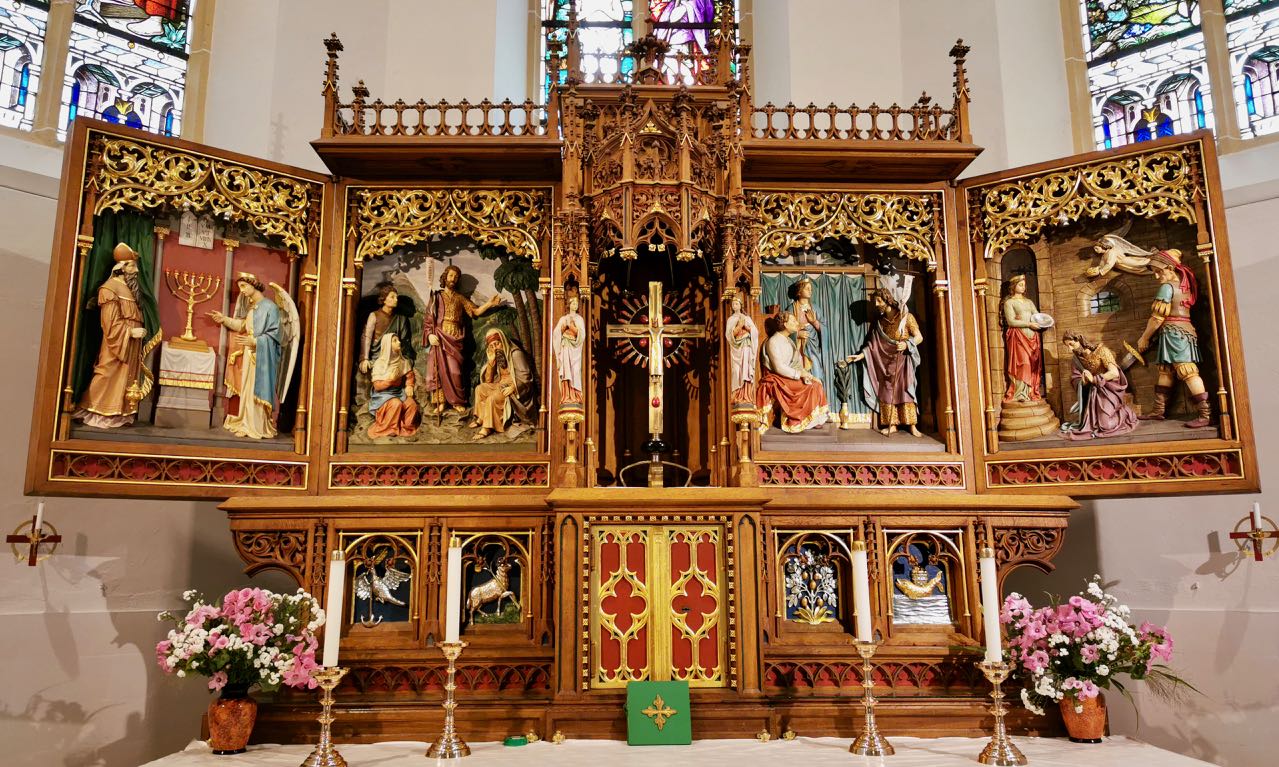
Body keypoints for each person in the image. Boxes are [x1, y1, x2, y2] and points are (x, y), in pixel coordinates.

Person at [75, 243, 155, 428]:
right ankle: (92, 408)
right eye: (132, 266)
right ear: (121, 267)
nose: (136, 271)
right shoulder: (110, 288)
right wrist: (130, 332)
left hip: (132, 343)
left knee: (127, 375)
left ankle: (119, 413)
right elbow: (109, 322)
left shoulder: (131, 289)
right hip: (117, 341)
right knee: (107, 372)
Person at [1136, 249, 1212, 427]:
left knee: (1187, 371)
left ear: (1170, 268)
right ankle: (1158, 411)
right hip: (1179, 332)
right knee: (1166, 371)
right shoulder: (1185, 286)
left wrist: (1144, 338)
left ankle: (1206, 414)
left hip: (1175, 334)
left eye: (1159, 271)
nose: (1156, 276)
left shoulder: (1167, 287)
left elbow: (1157, 318)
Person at [422, 264, 501, 416]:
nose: (453, 279)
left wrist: (490, 304)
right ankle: (441, 402)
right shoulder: (436, 296)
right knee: (438, 370)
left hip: (455, 337)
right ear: (445, 277)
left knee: (455, 371)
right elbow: (428, 319)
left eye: (456, 277)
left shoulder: (460, 298)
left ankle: (457, 401)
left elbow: (475, 311)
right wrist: (430, 334)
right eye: (451, 275)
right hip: (440, 336)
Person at [211, 273, 282, 440]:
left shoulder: (270, 307)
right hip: (250, 356)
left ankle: (256, 425)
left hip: (261, 357)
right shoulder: (253, 307)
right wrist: (224, 319)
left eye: (244, 286)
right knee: (248, 391)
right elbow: (243, 326)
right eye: (239, 287)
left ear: (254, 284)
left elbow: (275, 335)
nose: (241, 290)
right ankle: (247, 421)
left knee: (256, 390)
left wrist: (255, 341)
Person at [848, 288, 924, 437]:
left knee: (906, 391)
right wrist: (861, 355)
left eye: (879, 301)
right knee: (888, 393)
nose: (876, 304)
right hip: (886, 364)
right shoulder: (881, 323)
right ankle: (892, 424)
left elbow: (919, 337)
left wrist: (907, 344)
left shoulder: (905, 317)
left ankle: (912, 425)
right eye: (875, 301)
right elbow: (873, 345)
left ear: (888, 300)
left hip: (903, 361)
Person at [756, 311, 829, 433]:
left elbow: (796, 364)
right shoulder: (773, 341)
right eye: (793, 321)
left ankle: (813, 419)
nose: (797, 323)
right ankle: (799, 420)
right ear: (785, 324)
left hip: (789, 376)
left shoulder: (789, 341)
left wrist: (808, 375)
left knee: (816, 383)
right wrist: (799, 374)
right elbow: (779, 367)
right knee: (812, 387)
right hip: (778, 378)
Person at [1060, 331, 1138, 440]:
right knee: (1094, 424)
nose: (1070, 349)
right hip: (1094, 392)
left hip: (1110, 389)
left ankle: (1124, 413)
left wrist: (1094, 379)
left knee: (1106, 425)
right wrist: (1083, 381)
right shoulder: (1076, 360)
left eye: (1071, 344)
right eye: (1067, 346)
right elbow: (1075, 378)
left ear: (1079, 340)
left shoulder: (1102, 351)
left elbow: (1114, 373)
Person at [470, 329, 532, 439]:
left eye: (497, 344)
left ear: (503, 341)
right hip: (500, 384)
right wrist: (491, 362)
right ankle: (482, 417)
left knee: (492, 399)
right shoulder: (498, 356)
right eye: (492, 346)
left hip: (513, 387)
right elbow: (488, 381)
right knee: (480, 389)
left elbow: (525, 376)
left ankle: (487, 428)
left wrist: (514, 387)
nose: (495, 348)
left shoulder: (515, 354)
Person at [1000, 274, 1047, 403]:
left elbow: (1037, 316)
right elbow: (1011, 321)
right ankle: (1019, 393)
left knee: (1032, 364)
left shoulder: (1029, 302)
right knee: (1023, 363)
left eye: (1024, 285)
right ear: (1013, 286)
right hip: (1018, 336)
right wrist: (1028, 324)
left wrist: (1044, 321)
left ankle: (1031, 391)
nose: (1023, 287)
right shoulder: (1009, 302)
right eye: (1020, 285)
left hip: (1032, 336)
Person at [366, 333, 419, 439]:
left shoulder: (402, 362)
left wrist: (409, 385)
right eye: (395, 341)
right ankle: (389, 429)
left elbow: (409, 375)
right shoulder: (380, 364)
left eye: (398, 340)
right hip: (382, 396)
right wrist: (390, 381)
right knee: (396, 404)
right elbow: (377, 386)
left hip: (398, 392)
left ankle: (405, 428)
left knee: (411, 404)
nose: (399, 342)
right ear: (387, 345)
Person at [360, 284, 415, 376]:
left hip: (395, 357)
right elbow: (366, 337)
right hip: (377, 356)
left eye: (396, 297)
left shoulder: (401, 319)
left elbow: (404, 341)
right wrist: (364, 358)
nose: (396, 300)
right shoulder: (374, 315)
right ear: (384, 299)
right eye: (392, 297)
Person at [789, 277, 824, 386]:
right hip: (798, 348)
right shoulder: (791, 309)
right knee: (800, 376)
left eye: (811, 289)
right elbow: (785, 329)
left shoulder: (816, 309)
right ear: (799, 292)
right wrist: (797, 334)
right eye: (807, 288)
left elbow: (825, 330)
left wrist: (814, 322)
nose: (810, 291)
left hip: (813, 347)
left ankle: (818, 395)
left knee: (816, 372)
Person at [551, 295, 586, 404]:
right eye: (573, 303)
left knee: (575, 371)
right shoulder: (563, 318)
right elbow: (556, 334)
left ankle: (576, 396)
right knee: (566, 370)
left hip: (576, 350)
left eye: (576, 304)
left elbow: (582, 335)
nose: (575, 306)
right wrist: (563, 327)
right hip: (565, 347)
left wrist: (571, 326)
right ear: (569, 305)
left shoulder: (579, 319)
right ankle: (566, 396)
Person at [724, 295, 759, 403]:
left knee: (746, 370)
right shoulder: (731, 319)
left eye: (737, 303)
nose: (734, 305)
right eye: (733, 304)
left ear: (740, 305)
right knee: (736, 370)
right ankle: (737, 395)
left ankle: (747, 395)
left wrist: (747, 327)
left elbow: (755, 332)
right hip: (736, 348)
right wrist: (739, 326)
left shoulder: (747, 318)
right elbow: (729, 335)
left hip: (746, 346)